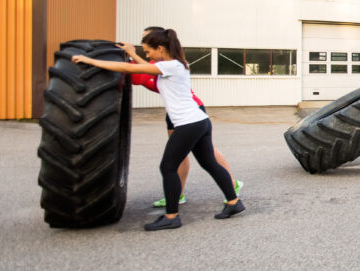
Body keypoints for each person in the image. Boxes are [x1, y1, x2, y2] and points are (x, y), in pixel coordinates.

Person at [72, 28, 245, 231]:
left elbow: (127, 68)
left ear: (160, 48)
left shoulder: (170, 66)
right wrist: (133, 53)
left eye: (148, 51)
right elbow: (147, 68)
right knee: (209, 164)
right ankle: (234, 202)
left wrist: (91, 61)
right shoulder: (176, 64)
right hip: (199, 121)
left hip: (189, 124)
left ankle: (172, 216)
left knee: (168, 167)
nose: (147, 55)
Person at [126, 26, 241, 208]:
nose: (144, 46)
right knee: (181, 155)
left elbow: (139, 76)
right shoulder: (158, 63)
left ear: (159, 44)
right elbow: (142, 72)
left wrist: (127, 59)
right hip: (175, 113)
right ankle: (177, 194)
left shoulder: (168, 64)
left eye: (146, 40)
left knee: (204, 154)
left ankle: (232, 185)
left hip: (191, 111)